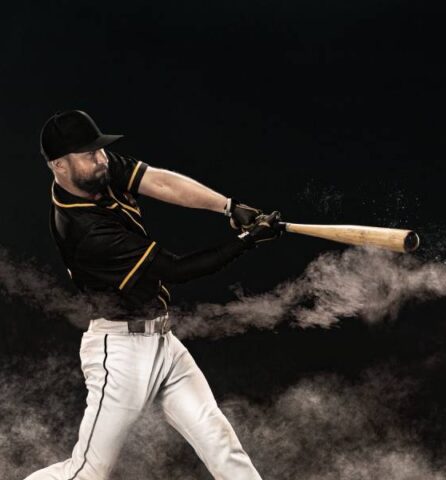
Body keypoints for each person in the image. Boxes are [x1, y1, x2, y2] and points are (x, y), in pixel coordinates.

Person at [25, 110, 278, 480]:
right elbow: (177, 270)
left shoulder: (98, 170)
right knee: (87, 472)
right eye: (89, 154)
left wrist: (227, 205)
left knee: (221, 444)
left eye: (100, 151)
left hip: (164, 343)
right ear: (59, 166)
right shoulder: (83, 229)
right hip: (120, 353)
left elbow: (161, 183)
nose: (101, 159)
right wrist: (247, 241)